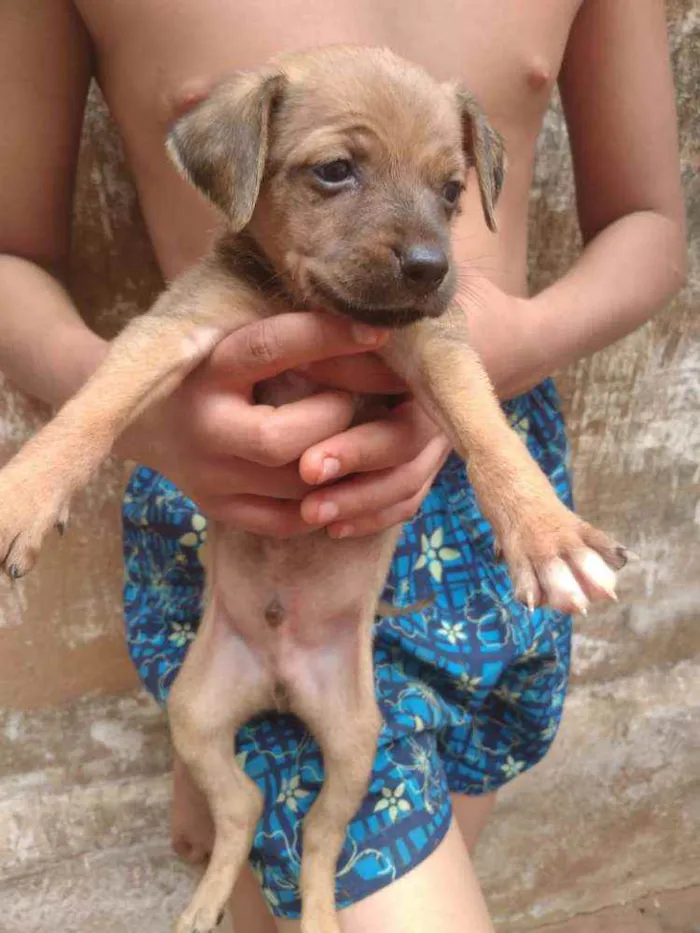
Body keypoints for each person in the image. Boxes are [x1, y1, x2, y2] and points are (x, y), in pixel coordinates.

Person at [0, 2, 685, 931]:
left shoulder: (423, 282)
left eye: (447, 195)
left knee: (334, 876)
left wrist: (509, 358)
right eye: (335, 173)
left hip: (490, 528)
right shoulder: (241, 230)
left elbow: (651, 222)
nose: (421, 246)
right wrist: (115, 440)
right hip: (231, 498)